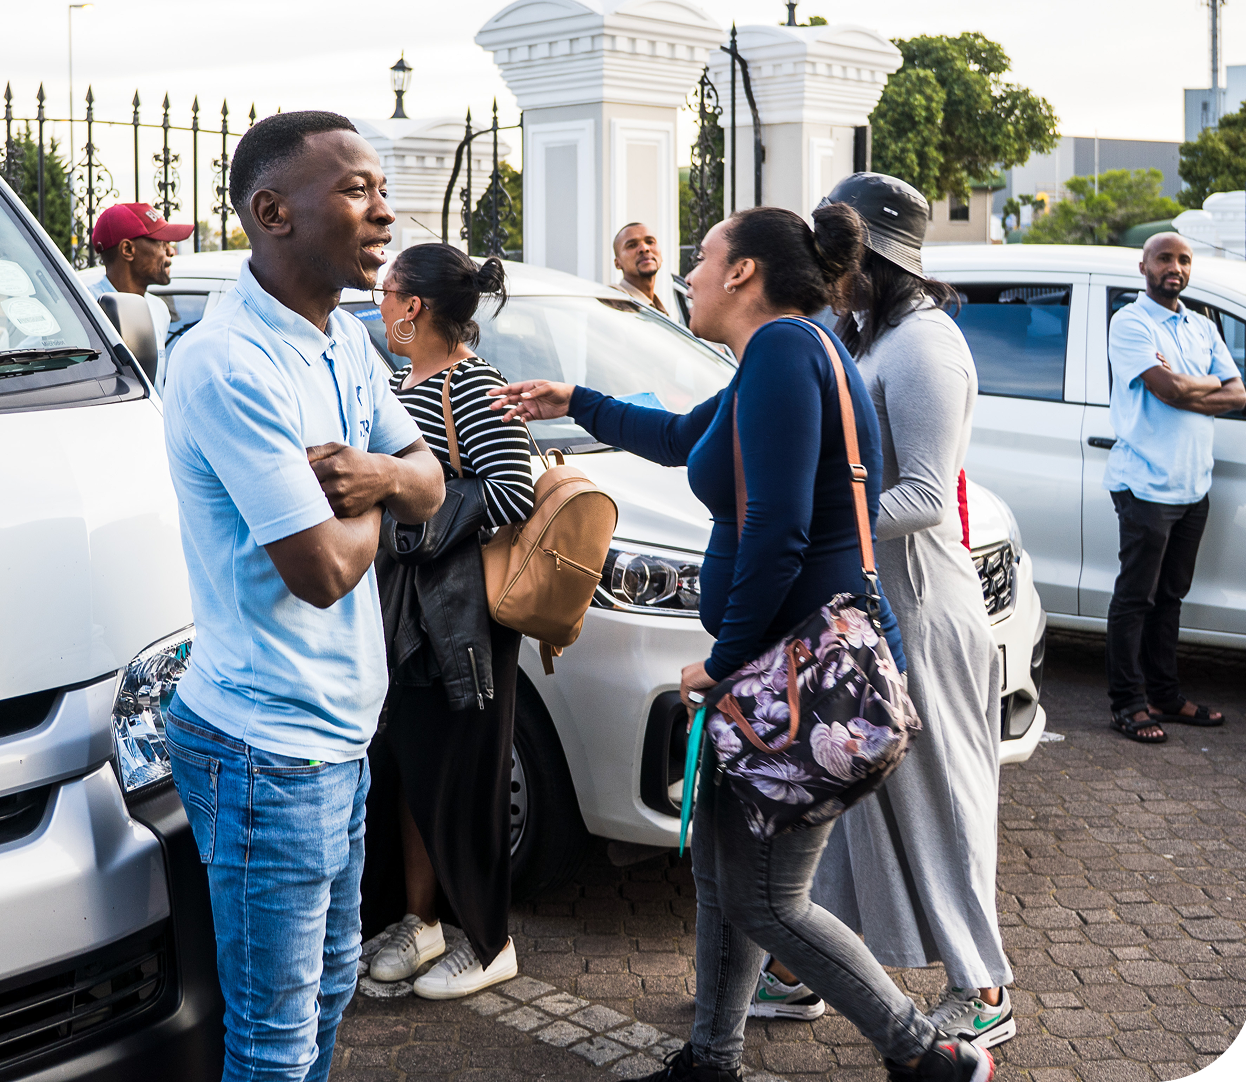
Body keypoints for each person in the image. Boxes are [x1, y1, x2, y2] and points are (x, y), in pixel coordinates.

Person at [491, 205, 994, 1082]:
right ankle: (711, 1057)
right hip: (773, 664)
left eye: (701, 257)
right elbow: (686, 435)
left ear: (743, 274)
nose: (686, 272)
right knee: (725, 880)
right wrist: (575, 401)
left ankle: (928, 1054)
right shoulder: (780, 355)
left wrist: (724, 664)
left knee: (768, 894)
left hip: (786, 674)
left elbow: (779, 531)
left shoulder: (789, 351)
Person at [160, 111, 444, 1082]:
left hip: (335, 736)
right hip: (264, 749)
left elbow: (431, 479)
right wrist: (384, 490)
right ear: (272, 211)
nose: (384, 210)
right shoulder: (227, 361)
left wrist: (365, 475)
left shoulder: (344, 342)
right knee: (274, 1036)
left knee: (327, 990)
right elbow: (318, 572)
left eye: (379, 188)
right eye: (357, 189)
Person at [757, 173, 1012, 1049]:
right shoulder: (866, 334)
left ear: (879, 260)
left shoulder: (925, 346)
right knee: (850, 799)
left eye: (845, 255)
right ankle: (801, 967)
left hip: (927, 607)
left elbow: (929, 496)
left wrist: (823, 512)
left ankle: (981, 990)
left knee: (941, 802)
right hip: (873, 603)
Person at [362, 244, 535, 999]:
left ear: (416, 307)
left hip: (463, 620)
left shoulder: (473, 383)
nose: (377, 300)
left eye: (387, 289)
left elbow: (513, 489)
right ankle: (421, 919)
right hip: (409, 617)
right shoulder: (405, 380)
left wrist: (414, 524)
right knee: (413, 769)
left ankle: (491, 939)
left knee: (465, 777)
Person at [1103, 231, 1243, 744]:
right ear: (1144, 265)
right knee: (1135, 599)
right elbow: (1167, 390)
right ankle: (1128, 704)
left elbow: (1236, 393)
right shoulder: (1130, 322)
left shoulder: (1203, 326)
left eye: (1184, 259)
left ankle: (1164, 694)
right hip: (1144, 485)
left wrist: (1189, 385)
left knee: (1171, 598)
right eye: (1165, 258)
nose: (1175, 267)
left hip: (1192, 486)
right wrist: (1194, 384)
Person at [88, 201, 192, 385]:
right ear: (128, 250)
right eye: (162, 243)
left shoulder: (159, 308)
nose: (171, 251)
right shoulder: (86, 307)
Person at [612, 221, 670, 313]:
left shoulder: (659, 309)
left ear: (661, 255)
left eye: (650, 242)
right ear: (617, 263)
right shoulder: (612, 300)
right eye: (632, 245)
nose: (644, 248)